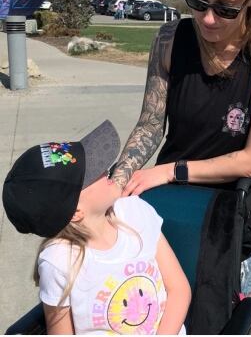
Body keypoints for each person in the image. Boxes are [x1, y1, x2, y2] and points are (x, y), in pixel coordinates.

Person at [110, 0, 251, 301]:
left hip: (229, 224)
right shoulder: (169, 40)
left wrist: (169, 171)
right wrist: (117, 183)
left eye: (225, 8)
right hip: (167, 213)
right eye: (198, 1)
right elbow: (150, 124)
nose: (208, 19)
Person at [2, 121, 190, 334]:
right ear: (75, 212)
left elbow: (179, 289)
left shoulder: (135, 211)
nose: (106, 169)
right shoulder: (58, 262)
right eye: (93, 173)